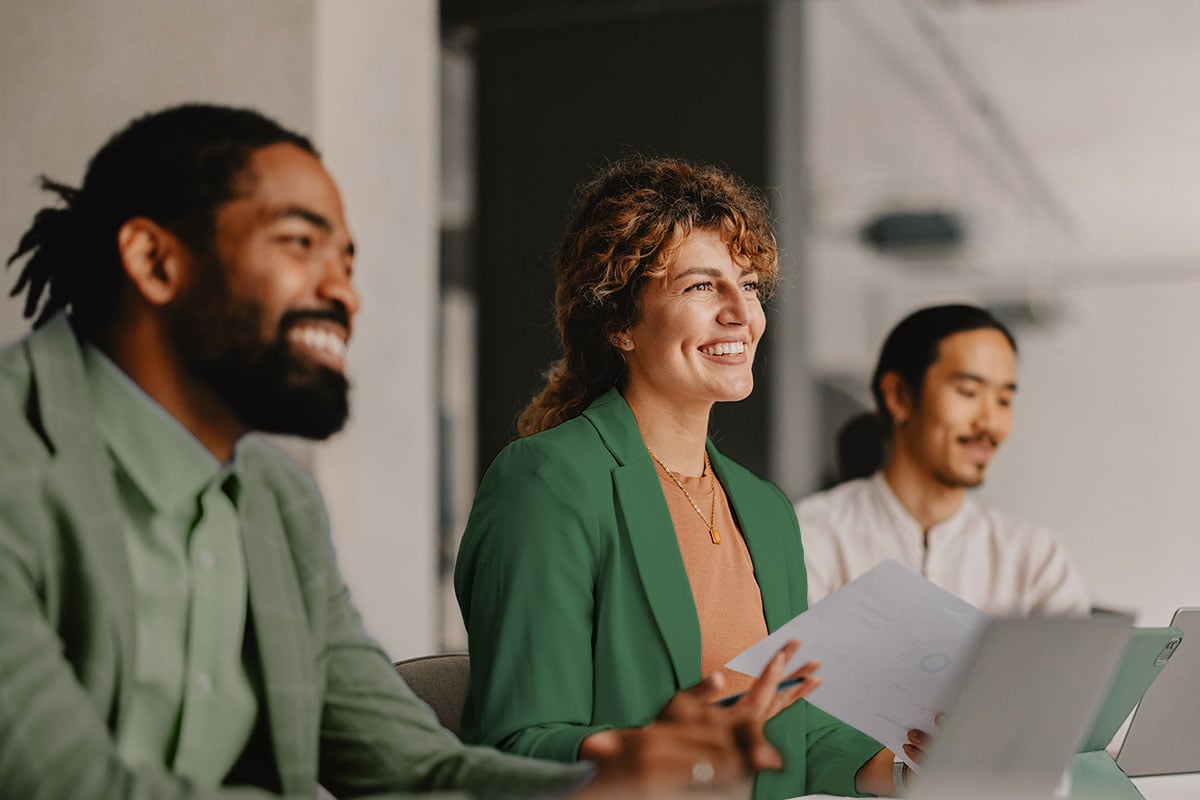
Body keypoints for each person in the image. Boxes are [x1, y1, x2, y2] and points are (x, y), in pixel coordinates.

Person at [0, 104, 807, 800]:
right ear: (155, 261)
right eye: (300, 243)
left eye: (348, 259)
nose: (343, 289)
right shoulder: (17, 461)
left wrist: (609, 776)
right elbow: (62, 782)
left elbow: (415, 772)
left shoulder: (274, 503)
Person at [454, 156, 915, 800]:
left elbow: (792, 735)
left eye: (749, 285)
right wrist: (652, 754)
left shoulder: (766, 511)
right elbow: (515, 747)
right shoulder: (549, 481)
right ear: (618, 322)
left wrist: (907, 767)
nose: (740, 312)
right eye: (702, 286)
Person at [795, 303, 1090, 616]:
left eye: (1004, 400)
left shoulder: (1034, 556)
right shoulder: (811, 535)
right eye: (968, 392)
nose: (991, 423)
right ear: (899, 396)